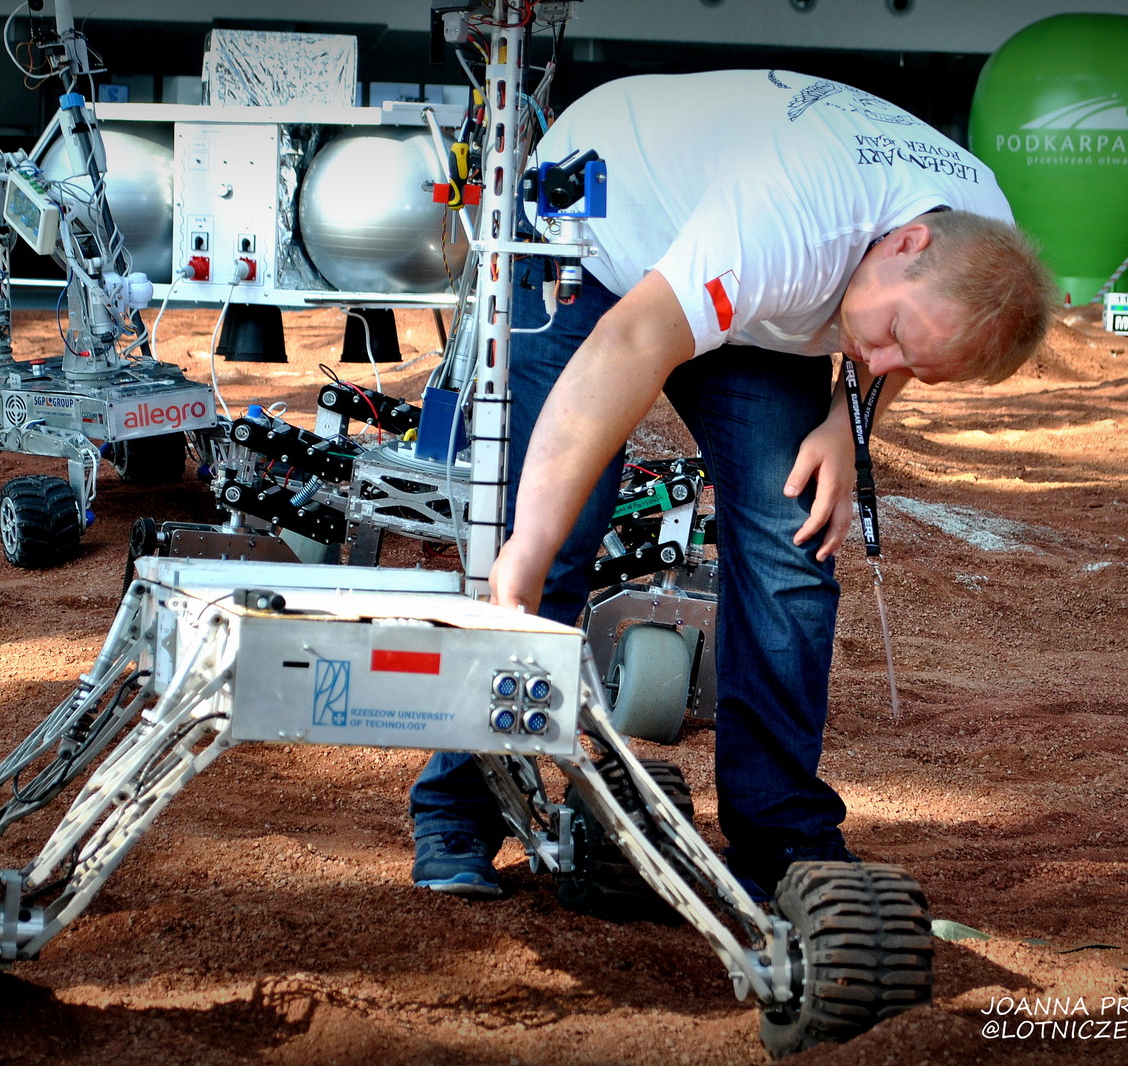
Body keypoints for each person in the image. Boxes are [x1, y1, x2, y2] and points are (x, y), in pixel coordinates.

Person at [408, 70, 1056, 901]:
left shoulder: (984, 251)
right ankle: (459, 807)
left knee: (791, 544)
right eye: (890, 333)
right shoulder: (793, 221)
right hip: (602, 232)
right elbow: (629, 344)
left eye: (913, 366)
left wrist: (846, 426)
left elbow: (906, 346)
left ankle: (780, 835)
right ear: (906, 243)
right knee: (548, 545)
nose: (880, 360)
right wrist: (528, 546)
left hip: (758, 301)